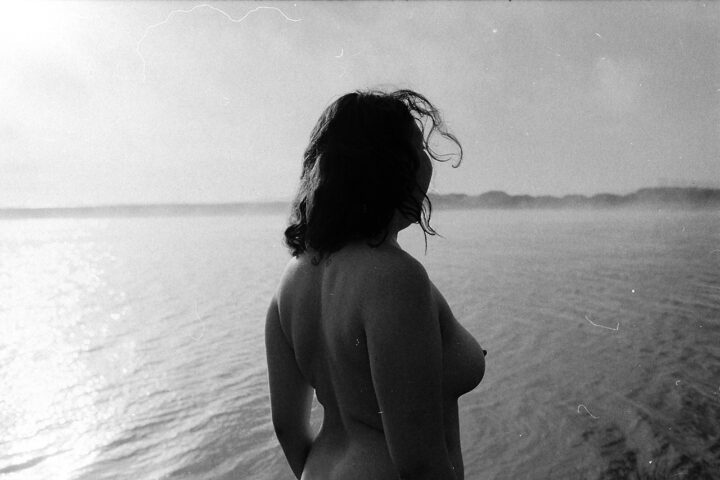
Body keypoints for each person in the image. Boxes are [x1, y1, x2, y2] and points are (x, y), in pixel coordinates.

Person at [265, 89, 486, 479]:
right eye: (418, 148)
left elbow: (287, 428)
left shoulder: (292, 280)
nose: (427, 161)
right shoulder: (395, 278)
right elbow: (420, 465)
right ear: (391, 165)